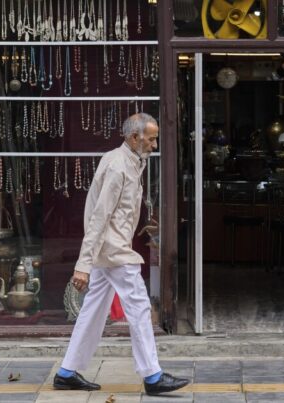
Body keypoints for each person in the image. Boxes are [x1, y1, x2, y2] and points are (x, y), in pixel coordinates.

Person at [53, 113, 189, 396]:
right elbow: (98, 218)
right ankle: (152, 376)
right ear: (134, 137)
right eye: (151, 139)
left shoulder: (130, 161)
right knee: (139, 308)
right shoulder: (118, 166)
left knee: (93, 309)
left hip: (111, 249)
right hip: (113, 251)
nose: (154, 145)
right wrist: (83, 264)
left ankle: (67, 371)